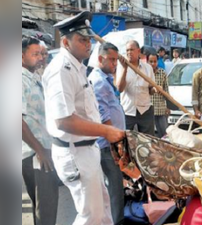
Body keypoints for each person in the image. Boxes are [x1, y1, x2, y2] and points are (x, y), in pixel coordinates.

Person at [42, 11, 125, 225]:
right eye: (81, 40)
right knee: (90, 216)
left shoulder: (79, 67)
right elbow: (64, 120)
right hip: (74, 153)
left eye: (88, 39)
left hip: (88, 150)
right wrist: (106, 131)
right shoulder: (61, 69)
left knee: (104, 211)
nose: (87, 44)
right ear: (65, 42)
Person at [88, 42, 126, 225]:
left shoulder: (106, 78)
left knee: (115, 186)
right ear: (100, 59)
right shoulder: (99, 82)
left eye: (116, 60)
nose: (114, 64)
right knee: (115, 188)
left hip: (112, 141)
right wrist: (114, 142)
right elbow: (103, 115)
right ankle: (116, 221)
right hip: (107, 145)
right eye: (111, 60)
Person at [22, 37, 59, 225]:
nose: (40, 57)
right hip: (35, 152)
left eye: (41, 53)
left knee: (44, 207)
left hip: (42, 148)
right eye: (34, 54)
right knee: (46, 209)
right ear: (21, 56)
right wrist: (39, 150)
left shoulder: (34, 76)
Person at [116, 40, 156, 136]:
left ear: (138, 51)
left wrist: (155, 89)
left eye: (132, 50)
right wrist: (125, 69)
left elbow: (150, 89)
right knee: (124, 140)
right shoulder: (121, 67)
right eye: (127, 50)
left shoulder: (148, 68)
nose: (129, 52)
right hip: (128, 111)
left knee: (148, 141)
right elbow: (120, 89)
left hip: (145, 109)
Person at [147, 53, 170, 138]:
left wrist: (168, 106)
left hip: (160, 108)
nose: (153, 63)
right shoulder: (145, 74)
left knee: (164, 133)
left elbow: (166, 90)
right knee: (150, 135)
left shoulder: (162, 73)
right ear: (147, 62)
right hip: (148, 108)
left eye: (155, 61)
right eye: (151, 61)